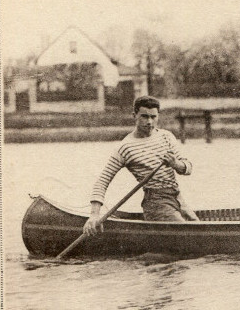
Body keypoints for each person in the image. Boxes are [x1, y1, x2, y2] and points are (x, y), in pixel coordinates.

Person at [83, 96, 199, 236]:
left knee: (198, 229)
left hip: (177, 197)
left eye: (153, 117)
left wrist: (175, 164)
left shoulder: (166, 137)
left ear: (158, 116)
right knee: (189, 235)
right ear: (134, 116)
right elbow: (102, 182)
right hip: (155, 203)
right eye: (144, 116)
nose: (149, 122)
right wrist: (94, 215)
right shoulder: (126, 147)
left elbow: (188, 168)